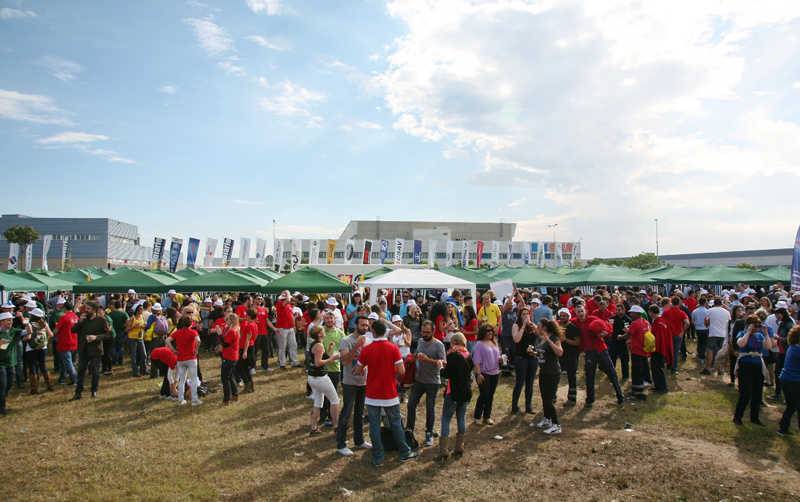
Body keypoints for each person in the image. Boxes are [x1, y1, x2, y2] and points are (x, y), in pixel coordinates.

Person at [355, 321, 418, 466]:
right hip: (389, 393)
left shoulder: (367, 349)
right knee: (396, 424)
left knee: (374, 426)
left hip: (372, 394)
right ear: (385, 332)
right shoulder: (393, 348)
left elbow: (358, 371)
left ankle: (378, 457)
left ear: (373, 331)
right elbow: (401, 371)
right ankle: (404, 451)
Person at [335, 316, 372, 456]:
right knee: (346, 413)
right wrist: (357, 346)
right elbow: (344, 361)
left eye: (367, 325)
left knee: (360, 412)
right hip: (350, 382)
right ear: (355, 325)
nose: (365, 327)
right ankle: (341, 444)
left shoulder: (367, 341)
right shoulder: (346, 340)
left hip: (363, 382)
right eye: (362, 325)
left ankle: (359, 440)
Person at [407, 319, 446, 447]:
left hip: (432, 382)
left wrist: (428, 360)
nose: (424, 334)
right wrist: (413, 357)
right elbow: (417, 354)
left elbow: (443, 363)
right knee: (411, 404)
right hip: (419, 380)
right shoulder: (420, 341)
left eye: (427, 332)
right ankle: (409, 431)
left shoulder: (439, 345)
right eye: (423, 332)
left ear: (433, 331)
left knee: (430, 408)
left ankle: (429, 433)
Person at [575, 305, 624, 406]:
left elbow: (608, 327)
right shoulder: (575, 322)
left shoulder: (593, 319)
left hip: (601, 349)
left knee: (612, 372)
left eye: (581, 311)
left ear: (585, 311)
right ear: (575, 313)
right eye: (578, 312)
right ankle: (590, 400)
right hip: (589, 352)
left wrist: (606, 333)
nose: (580, 313)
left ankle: (620, 395)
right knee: (589, 376)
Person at [437, 332, 473, 462]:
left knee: (446, 419)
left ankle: (443, 450)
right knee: (461, 418)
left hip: (453, 392)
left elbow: (447, 374)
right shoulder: (468, 355)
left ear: (453, 343)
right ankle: (459, 447)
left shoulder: (452, 355)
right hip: (465, 392)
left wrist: (441, 367)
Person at [733, 315, 773, 426]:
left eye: (758, 325)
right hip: (745, 365)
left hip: (757, 365)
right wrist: (748, 332)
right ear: (749, 325)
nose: (757, 327)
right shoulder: (742, 333)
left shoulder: (760, 335)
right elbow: (741, 344)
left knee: (757, 393)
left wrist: (766, 334)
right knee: (745, 393)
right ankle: (738, 417)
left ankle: (754, 418)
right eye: (755, 325)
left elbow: (768, 346)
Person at [71, 302, 111, 400]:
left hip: (96, 349)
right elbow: (73, 330)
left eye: (88, 309)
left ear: (94, 310)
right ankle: (78, 393)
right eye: (86, 308)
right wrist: (79, 321)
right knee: (81, 371)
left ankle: (94, 391)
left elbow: (108, 335)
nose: (86, 310)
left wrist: (96, 337)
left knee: (95, 371)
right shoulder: (83, 319)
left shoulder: (101, 320)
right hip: (83, 349)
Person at [306, 325, 340, 435]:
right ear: (319, 334)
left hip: (312, 378)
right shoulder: (319, 345)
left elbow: (319, 357)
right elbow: (318, 363)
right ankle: (336, 426)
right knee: (335, 400)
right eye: (323, 331)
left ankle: (313, 427)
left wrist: (329, 349)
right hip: (320, 378)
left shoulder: (314, 344)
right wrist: (332, 358)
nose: (324, 332)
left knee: (318, 402)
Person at [533, 319, 564, 434]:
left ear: (545, 327)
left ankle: (556, 425)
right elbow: (543, 354)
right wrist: (534, 353)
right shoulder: (540, 338)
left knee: (549, 400)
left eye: (539, 326)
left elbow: (560, 353)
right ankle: (547, 419)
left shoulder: (554, 338)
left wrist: (548, 341)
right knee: (544, 397)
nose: (538, 327)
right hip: (543, 371)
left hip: (553, 372)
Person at [166, 316, 201, 406]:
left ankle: (181, 399)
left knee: (182, 380)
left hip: (181, 359)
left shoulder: (177, 333)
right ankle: (194, 400)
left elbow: (167, 340)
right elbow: (198, 340)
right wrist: (196, 350)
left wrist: (173, 350)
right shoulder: (193, 332)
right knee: (193, 379)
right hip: (191, 358)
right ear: (190, 323)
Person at [472, 323, 502, 425]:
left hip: (495, 372)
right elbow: (476, 361)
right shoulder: (479, 344)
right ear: (483, 332)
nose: (490, 333)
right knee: (484, 394)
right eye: (487, 331)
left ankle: (487, 416)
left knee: (491, 395)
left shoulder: (494, 342)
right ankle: (477, 416)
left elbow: (497, 356)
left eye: (491, 331)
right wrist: (479, 374)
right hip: (483, 373)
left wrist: (501, 359)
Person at [511, 305, 538, 414]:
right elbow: (516, 340)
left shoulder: (532, 325)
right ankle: (514, 406)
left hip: (532, 357)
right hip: (521, 358)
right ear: (520, 316)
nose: (526, 316)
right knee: (519, 382)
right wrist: (523, 326)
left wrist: (532, 325)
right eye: (523, 314)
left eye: (527, 314)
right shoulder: (516, 325)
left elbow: (541, 335)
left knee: (530, 383)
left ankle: (528, 406)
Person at [319, 310, 345, 425]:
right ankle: (322, 416)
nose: (329, 320)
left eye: (331, 318)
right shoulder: (321, 332)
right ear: (324, 320)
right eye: (327, 318)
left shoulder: (340, 333)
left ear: (334, 320)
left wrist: (338, 356)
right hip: (322, 367)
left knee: (332, 393)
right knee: (321, 394)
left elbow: (344, 349)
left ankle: (331, 417)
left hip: (335, 368)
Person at [0, 311, 28, 415]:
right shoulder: (2, 333)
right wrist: (13, 340)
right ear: (1, 322)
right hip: (1, 364)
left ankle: (1, 401)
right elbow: (3, 348)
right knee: (2, 385)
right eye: (8, 320)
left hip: (11, 362)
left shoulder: (13, 330)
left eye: (11, 320)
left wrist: (25, 322)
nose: (10, 322)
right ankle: (2, 408)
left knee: (10, 384)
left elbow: (27, 332)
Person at [22, 308, 53, 394]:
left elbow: (28, 337)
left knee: (32, 368)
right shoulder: (44, 323)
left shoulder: (29, 324)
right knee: (43, 366)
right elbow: (51, 334)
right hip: (43, 347)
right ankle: (49, 385)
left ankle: (34, 388)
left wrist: (23, 339)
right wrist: (44, 341)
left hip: (31, 349)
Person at [778, 325, 800, 435]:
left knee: (792, 406)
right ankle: (782, 428)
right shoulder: (797, 349)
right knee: (793, 406)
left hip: (787, 379)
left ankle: (783, 428)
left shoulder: (793, 347)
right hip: (793, 381)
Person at [626, 305, 652, 400]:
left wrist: (621, 336)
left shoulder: (635, 323)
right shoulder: (646, 322)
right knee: (643, 370)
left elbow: (628, 335)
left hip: (636, 350)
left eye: (632, 313)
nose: (630, 314)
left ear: (637, 314)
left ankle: (637, 393)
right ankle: (642, 387)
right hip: (644, 350)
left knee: (636, 372)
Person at [557, 307, 580, 404]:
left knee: (571, 376)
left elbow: (577, 342)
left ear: (568, 316)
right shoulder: (557, 326)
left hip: (571, 355)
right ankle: (553, 396)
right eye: (561, 316)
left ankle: (572, 398)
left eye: (564, 316)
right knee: (556, 375)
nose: (562, 317)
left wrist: (565, 339)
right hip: (560, 354)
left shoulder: (573, 327)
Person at [703, 298, 731, 375]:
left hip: (712, 333)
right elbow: (729, 322)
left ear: (714, 303)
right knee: (721, 352)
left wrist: (708, 325)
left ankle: (708, 367)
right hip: (723, 334)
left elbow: (706, 322)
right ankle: (720, 369)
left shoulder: (710, 311)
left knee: (710, 350)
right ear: (721, 303)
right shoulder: (726, 312)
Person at [648, 304, 672, 394]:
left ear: (651, 312)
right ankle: (658, 386)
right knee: (655, 369)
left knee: (658, 369)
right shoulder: (661, 321)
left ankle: (662, 388)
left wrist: (653, 349)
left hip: (658, 350)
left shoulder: (658, 322)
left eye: (649, 312)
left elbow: (657, 338)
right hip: (660, 349)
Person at [662, 296, 689, 374]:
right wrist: (682, 331)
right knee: (675, 352)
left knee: (668, 350)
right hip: (678, 335)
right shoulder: (681, 312)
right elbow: (687, 323)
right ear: (679, 303)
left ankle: (668, 365)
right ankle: (674, 369)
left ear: (671, 302)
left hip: (668, 334)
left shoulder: (666, 312)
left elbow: (662, 322)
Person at [54, 302, 79, 385]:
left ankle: (75, 379)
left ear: (65, 308)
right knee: (67, 362)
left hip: (65, 343)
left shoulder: (64, 317)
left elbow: (56, 331)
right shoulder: (76, 317)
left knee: (68, 363)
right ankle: (62, 378)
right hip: (74, 342)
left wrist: (55, 330)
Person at [218, 313, 240, 405]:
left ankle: (226, 399)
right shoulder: (230, 329)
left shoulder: (232, 331)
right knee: (230, 376)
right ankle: (235, 395)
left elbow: (226, 344)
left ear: (231, 320)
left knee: (225, 378)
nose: (225, 321)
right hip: (231, 356)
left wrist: (219, 335)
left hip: (229, 357)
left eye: (227, 319)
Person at [275, 291, 299, 368]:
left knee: (293, 345)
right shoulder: (279, 303)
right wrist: (287, 293)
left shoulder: (288, 305)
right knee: (282, 347)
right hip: (282, 328)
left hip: (290, 328)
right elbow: (288, 300)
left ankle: (294, 362)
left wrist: (294, 322)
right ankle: (282, 364)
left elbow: (290, 316)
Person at [609, 303, 631, 381]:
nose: (618, 311)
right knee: (612, 359)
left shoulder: (627, 319)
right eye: (617, 310)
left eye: (620, 310)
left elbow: (628, 331)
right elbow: (609, 329)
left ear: (624, 310)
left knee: (624, 360)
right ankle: (611, 375)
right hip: (613, 342)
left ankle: (625, 376)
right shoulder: (612, 318)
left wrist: (623, 337)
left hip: (623, 342)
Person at [126, 305, 147, 377]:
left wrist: (143, 326)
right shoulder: (132, 318)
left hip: (140, 338)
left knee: (144, 355)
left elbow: (143, 326)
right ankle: (135, 372)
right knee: (133, 356)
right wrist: (134, 327)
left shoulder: (141, 317)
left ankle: (143, 370)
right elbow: (127, 329)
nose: (142, 310)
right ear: (137, 310)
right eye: (141, 309)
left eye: (142, 309)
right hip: (132, 338)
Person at [691, 297, 710, 363]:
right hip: (705, 329)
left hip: (698, 329)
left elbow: (692, 321)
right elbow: (708, 321)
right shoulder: (707, 311)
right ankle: (702, 356)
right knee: (704, 343)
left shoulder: (695, 311)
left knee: (699, 342)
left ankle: (700, 355)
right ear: (705, 303)